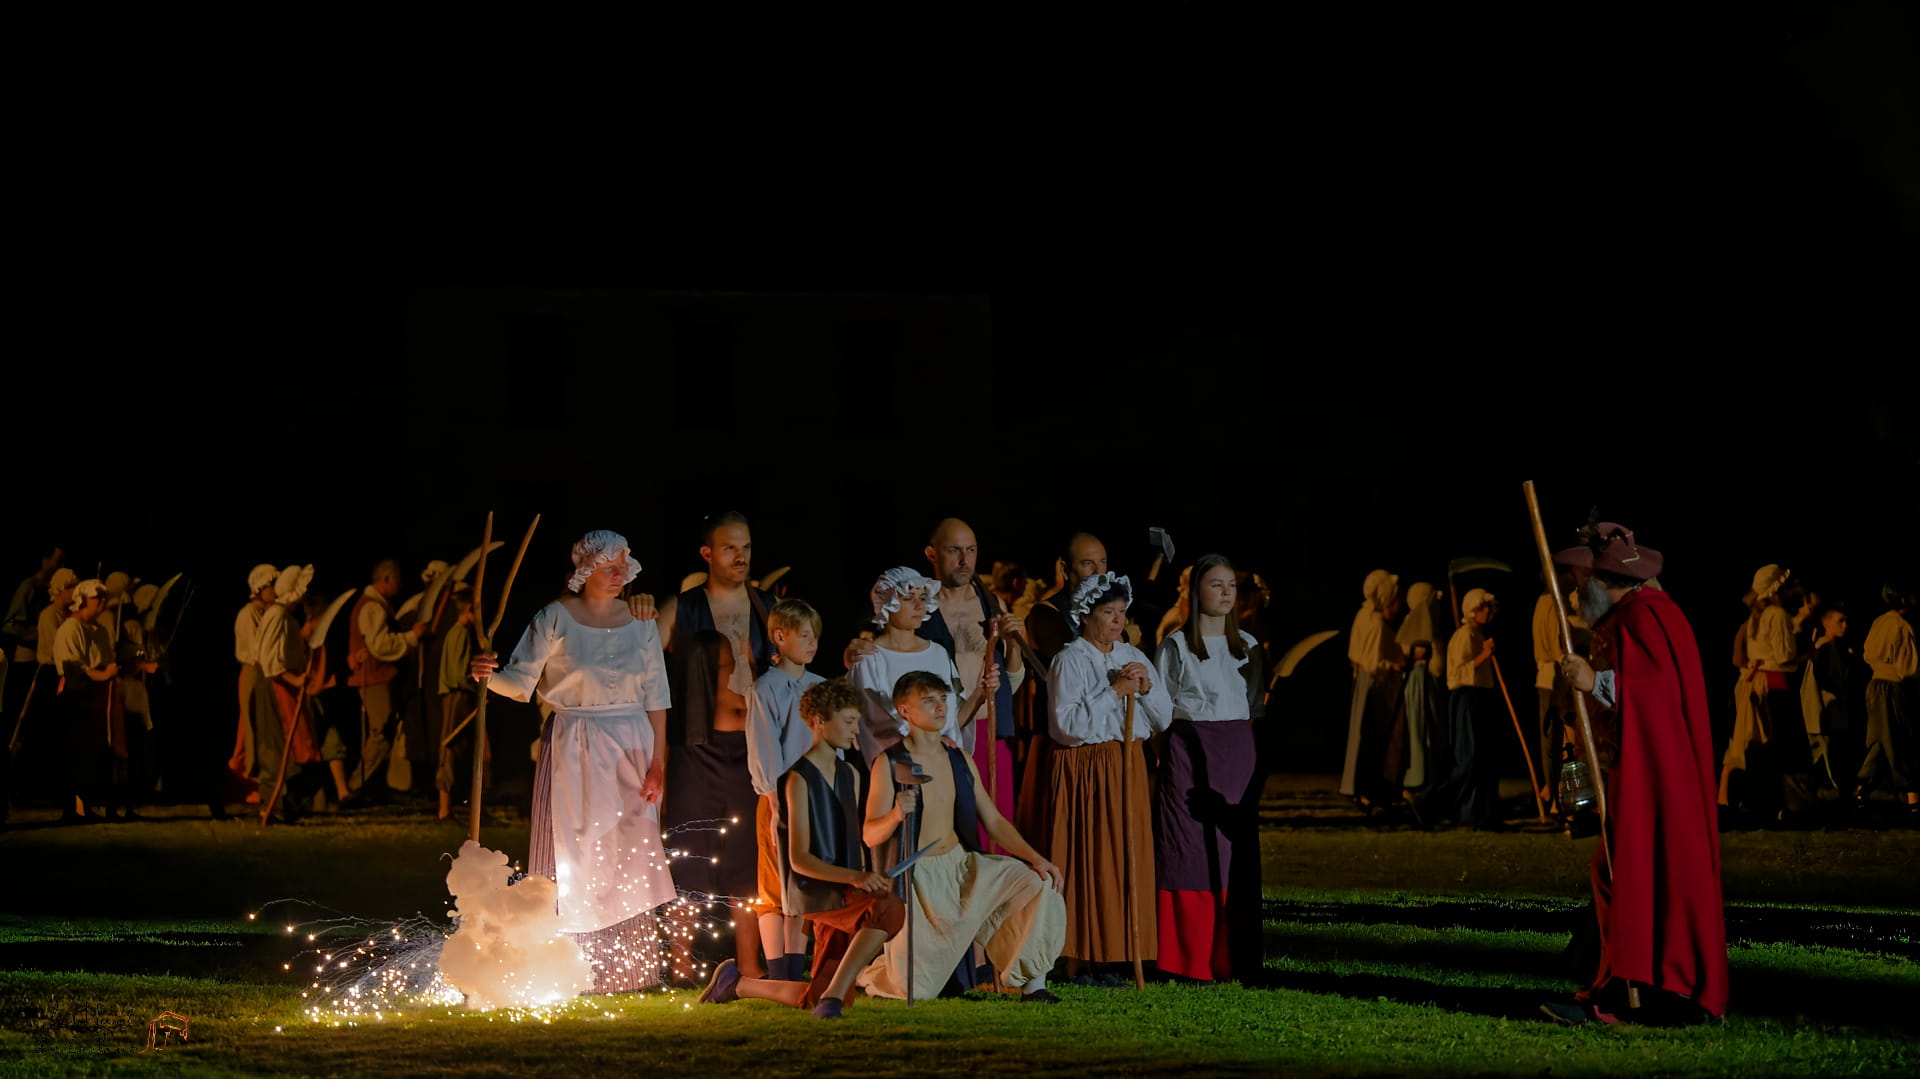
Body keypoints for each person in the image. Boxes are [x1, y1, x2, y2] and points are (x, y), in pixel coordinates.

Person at [470, 529, 677, 994]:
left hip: (633, 745)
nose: (620, 575)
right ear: (585, 572)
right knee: (578, 851)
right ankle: (569, 967)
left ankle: (627, 971)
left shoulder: (641, 619)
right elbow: (520, 683)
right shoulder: (554, 618)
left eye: (624, 565)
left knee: (628, 855)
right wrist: (486, 676)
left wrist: (658, 762)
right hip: (576, 743)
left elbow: (657, 696)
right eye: (608, 567)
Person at [1543, 520, 1727, 1027]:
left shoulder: (1646, 617)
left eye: (1583, 581)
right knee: (1614, 873)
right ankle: (1624, 985)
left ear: (1608, 580)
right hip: (1643, 776)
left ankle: (1641, 993)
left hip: (1661, 784)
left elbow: (1653, 698)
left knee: (1636, 875)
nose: (1577, 591)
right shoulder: (1635, 616)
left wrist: (1593, 680)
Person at [699, 678, 906, 1018]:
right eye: (848, 721)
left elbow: (851, 844)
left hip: (843, 891)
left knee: (817, 996)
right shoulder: (797, 779)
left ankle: (736, 984)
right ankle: (833, 999)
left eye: (857, 720)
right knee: (889, 909)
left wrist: (868, 877)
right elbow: (799, 859)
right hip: (813, 891)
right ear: (819, 721)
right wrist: (857, 878)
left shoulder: (850, 774)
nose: (856, 730)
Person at [858, 668, 1066, 1003]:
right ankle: (868, 972)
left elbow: (994, 821)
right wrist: (896, 814)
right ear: (905, 711)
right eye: (929, 701)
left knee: (1036, 881)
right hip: (920, 880)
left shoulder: (958, 758)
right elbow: (870, 834)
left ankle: (1034, 986)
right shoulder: (890, 762)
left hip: (962, 868)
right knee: (915, 991)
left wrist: (1036, 858)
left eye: (943, 700)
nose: (940, 708)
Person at [663, 510, 776, 981]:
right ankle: (681, 960)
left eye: (746, 547)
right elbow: (639, 658)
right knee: (691, 848)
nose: (741, 556)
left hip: (750, 747)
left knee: (747, 856)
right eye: (730, 548)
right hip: (697, 745)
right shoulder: (683, 607)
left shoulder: (768, 606)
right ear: (707, 553)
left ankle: (750, 962)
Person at [1047, 572, 1174, 981]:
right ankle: (1085, 954)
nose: (1118, 621)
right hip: (1089, 766)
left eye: (1122, 612)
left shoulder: (1129, 656)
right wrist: (1114, 693)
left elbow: (1162, 718)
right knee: (1094, 858)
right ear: (1086, 615)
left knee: (1127, 854)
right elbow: (1066, 727)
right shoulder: (1070, 659)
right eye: (1108, 613)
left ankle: (1124, 949)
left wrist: (1147, 685)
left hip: (1128, 762)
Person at [1151, 554, 1262, 982]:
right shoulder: (1176, 645)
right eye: (1216, 584)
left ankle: (1229, 955)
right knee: (1190, 850)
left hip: (1235, 754)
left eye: (1231, 584)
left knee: (1231, 851)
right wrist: (1172, 753)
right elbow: (1159, 709)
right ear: (1197, 592)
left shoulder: (1248, 646)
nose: (1227, 592)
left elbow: (1253, 705)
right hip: (1188, 749)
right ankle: (1188, 958)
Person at [916, 519, 1027, 852]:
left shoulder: (992, 604)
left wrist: (1015, 644)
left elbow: (1013, 680)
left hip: (988, 732)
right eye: (954, 551)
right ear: (932, 553)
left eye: (971, 550)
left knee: (996, 829)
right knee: (947, 832)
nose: (965, 560)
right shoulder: (918, 605)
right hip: (943, 735)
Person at [744, 597, 826, 982]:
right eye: (804, 635)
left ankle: (796, 966)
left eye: (815, 636)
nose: (812, 643)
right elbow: (765, 747)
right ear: (780, 637)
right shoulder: (767, 689)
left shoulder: (818, 687)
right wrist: (775, 800)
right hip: (779, 797)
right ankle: (777, 969)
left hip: (815, 797)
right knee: (775, 884)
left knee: (805, 885)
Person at [1015, 531, 1109, 843]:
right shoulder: (1046, 614)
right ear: (1065, 569)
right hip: (1062, 744)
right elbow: (1076, 666)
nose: (1098, 572)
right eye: (1087, 564)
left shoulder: (1110, 614)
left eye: (1102, 563)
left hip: (1102, 739)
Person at [847, 567, 979, 767]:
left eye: (923, 597)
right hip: (901, 765)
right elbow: (876, 719)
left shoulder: (938, 653)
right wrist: (922, 745)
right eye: (908, 598)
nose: (919, 606)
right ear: (886, 603)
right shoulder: (869, 658)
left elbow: (951, 715)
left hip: (943, 761)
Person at [52, 578, 152, 822]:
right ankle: (76, 808)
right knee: (79, 752)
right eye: (99, 598)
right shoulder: (71, 629)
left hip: (102, 698)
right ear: (84, 600)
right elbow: (73, 667)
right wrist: (103, 674)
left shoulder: (99, 631)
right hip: (79, 697)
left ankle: (103, 804)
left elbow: (107, 662)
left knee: (102, 752)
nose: (104, 602)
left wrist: (129, 667)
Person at [345, 558, 429, 800]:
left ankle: (363, 786)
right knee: (379, 735)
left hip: (378, 677)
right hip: (373, 678)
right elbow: (380, 645)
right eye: (398, 579)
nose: (400, 584)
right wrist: (411, 637)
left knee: (383, 734)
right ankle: (353, 787)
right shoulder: (372, 607)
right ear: (387, 579)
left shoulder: (378, 605)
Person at [1422, 588, 1504, 831]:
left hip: (1481, 697)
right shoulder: (1463, 636)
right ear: (1471, 610)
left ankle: (1479, 814)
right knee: (1468, 758)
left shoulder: (1478, 635)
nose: (1487, 611)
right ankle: (1432, 804)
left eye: (1488, 606)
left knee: (1483, 759)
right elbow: (1456, 674)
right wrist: (1484, 655)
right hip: (1465, 698)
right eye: (1481, 607)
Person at [1745, 564, 1815, 826]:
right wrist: (1806, 653)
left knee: (1768, 745)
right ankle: (1795, 806)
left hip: (1759, 682)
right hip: (1777, 682)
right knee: (1790, 744)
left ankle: (1769, 803)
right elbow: (1784, 655)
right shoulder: (1777, 614)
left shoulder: (1757, 614)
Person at [1341, 569, 1407, 814]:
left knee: (1361, 736)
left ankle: (1360, 788)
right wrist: (1395, 665)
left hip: (1363, 681)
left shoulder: (1363, 615)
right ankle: (1364, 789)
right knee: (1370, 737)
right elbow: (1373, 661)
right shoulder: (1375, 623)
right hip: (1373, 685)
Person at [1856, 579, 1917, 824]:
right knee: (1900, 738)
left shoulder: (1879, 622)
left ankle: (1862, 792)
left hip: (1875, 685)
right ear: (1903, 599)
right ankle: (1913, 800)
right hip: (1892, 687)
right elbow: (1908, 667)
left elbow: (1868, 652)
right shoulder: (1902, 626)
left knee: (1881, 740)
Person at [435, 586, 485, 822]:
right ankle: (444, 809)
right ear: (468, 610)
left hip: (460, 697)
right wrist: (478, 686)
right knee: (450, 748)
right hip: (456, 697)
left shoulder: (460, 633)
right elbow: (458, 674)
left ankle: (462, 805)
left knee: (462, 750)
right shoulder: (459, 633)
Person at [1395, 581, 1447, 809]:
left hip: (1429, 685)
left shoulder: (1433, 627)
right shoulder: (1411, 625)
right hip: (1416, 686)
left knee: (1431, 732)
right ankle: (1415, 780)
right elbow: (1404, 652)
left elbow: (1437, 665)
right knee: (1416, 731)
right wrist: (1417, 655)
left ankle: (1431, 779)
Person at [231, 563, 277, 804]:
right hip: (253, 671)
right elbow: (254, 650)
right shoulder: (248, 614)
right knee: (251, 726)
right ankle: (247, 782)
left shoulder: (266, 612)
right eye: (271, 585)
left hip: (264, 672)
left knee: (254, 728)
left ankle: (247, 781)